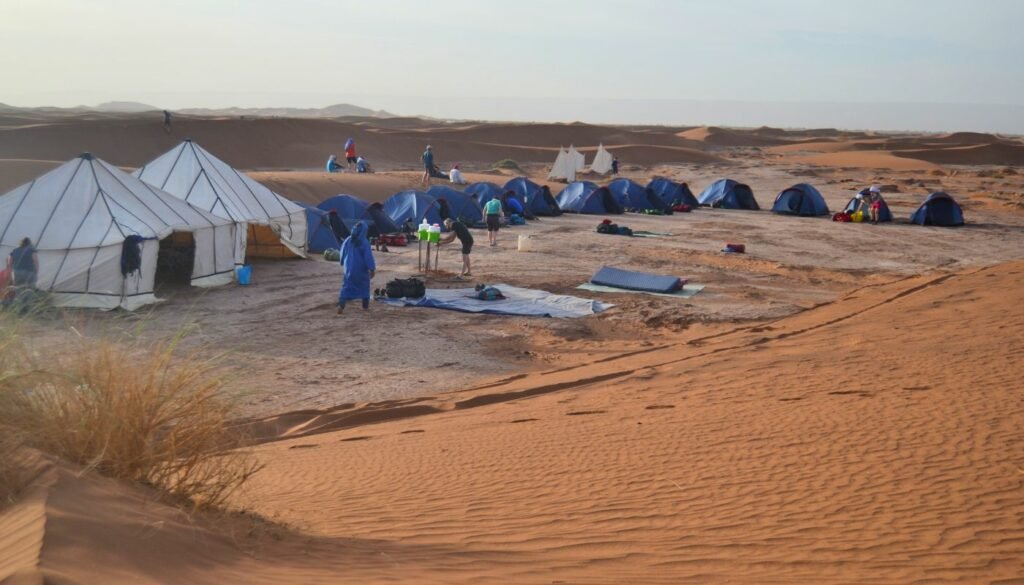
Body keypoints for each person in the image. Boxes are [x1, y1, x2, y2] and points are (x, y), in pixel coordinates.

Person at [337, 221, 376, 315]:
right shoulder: (364, 242)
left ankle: (341, 305)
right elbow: (368, 257)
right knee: (364, 287)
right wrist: (372, 268)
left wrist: (342, 261)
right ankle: (365, 307)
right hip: (361, 270)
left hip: (349, 269)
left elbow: (342, 252)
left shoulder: (348, 240)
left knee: (347, 287)